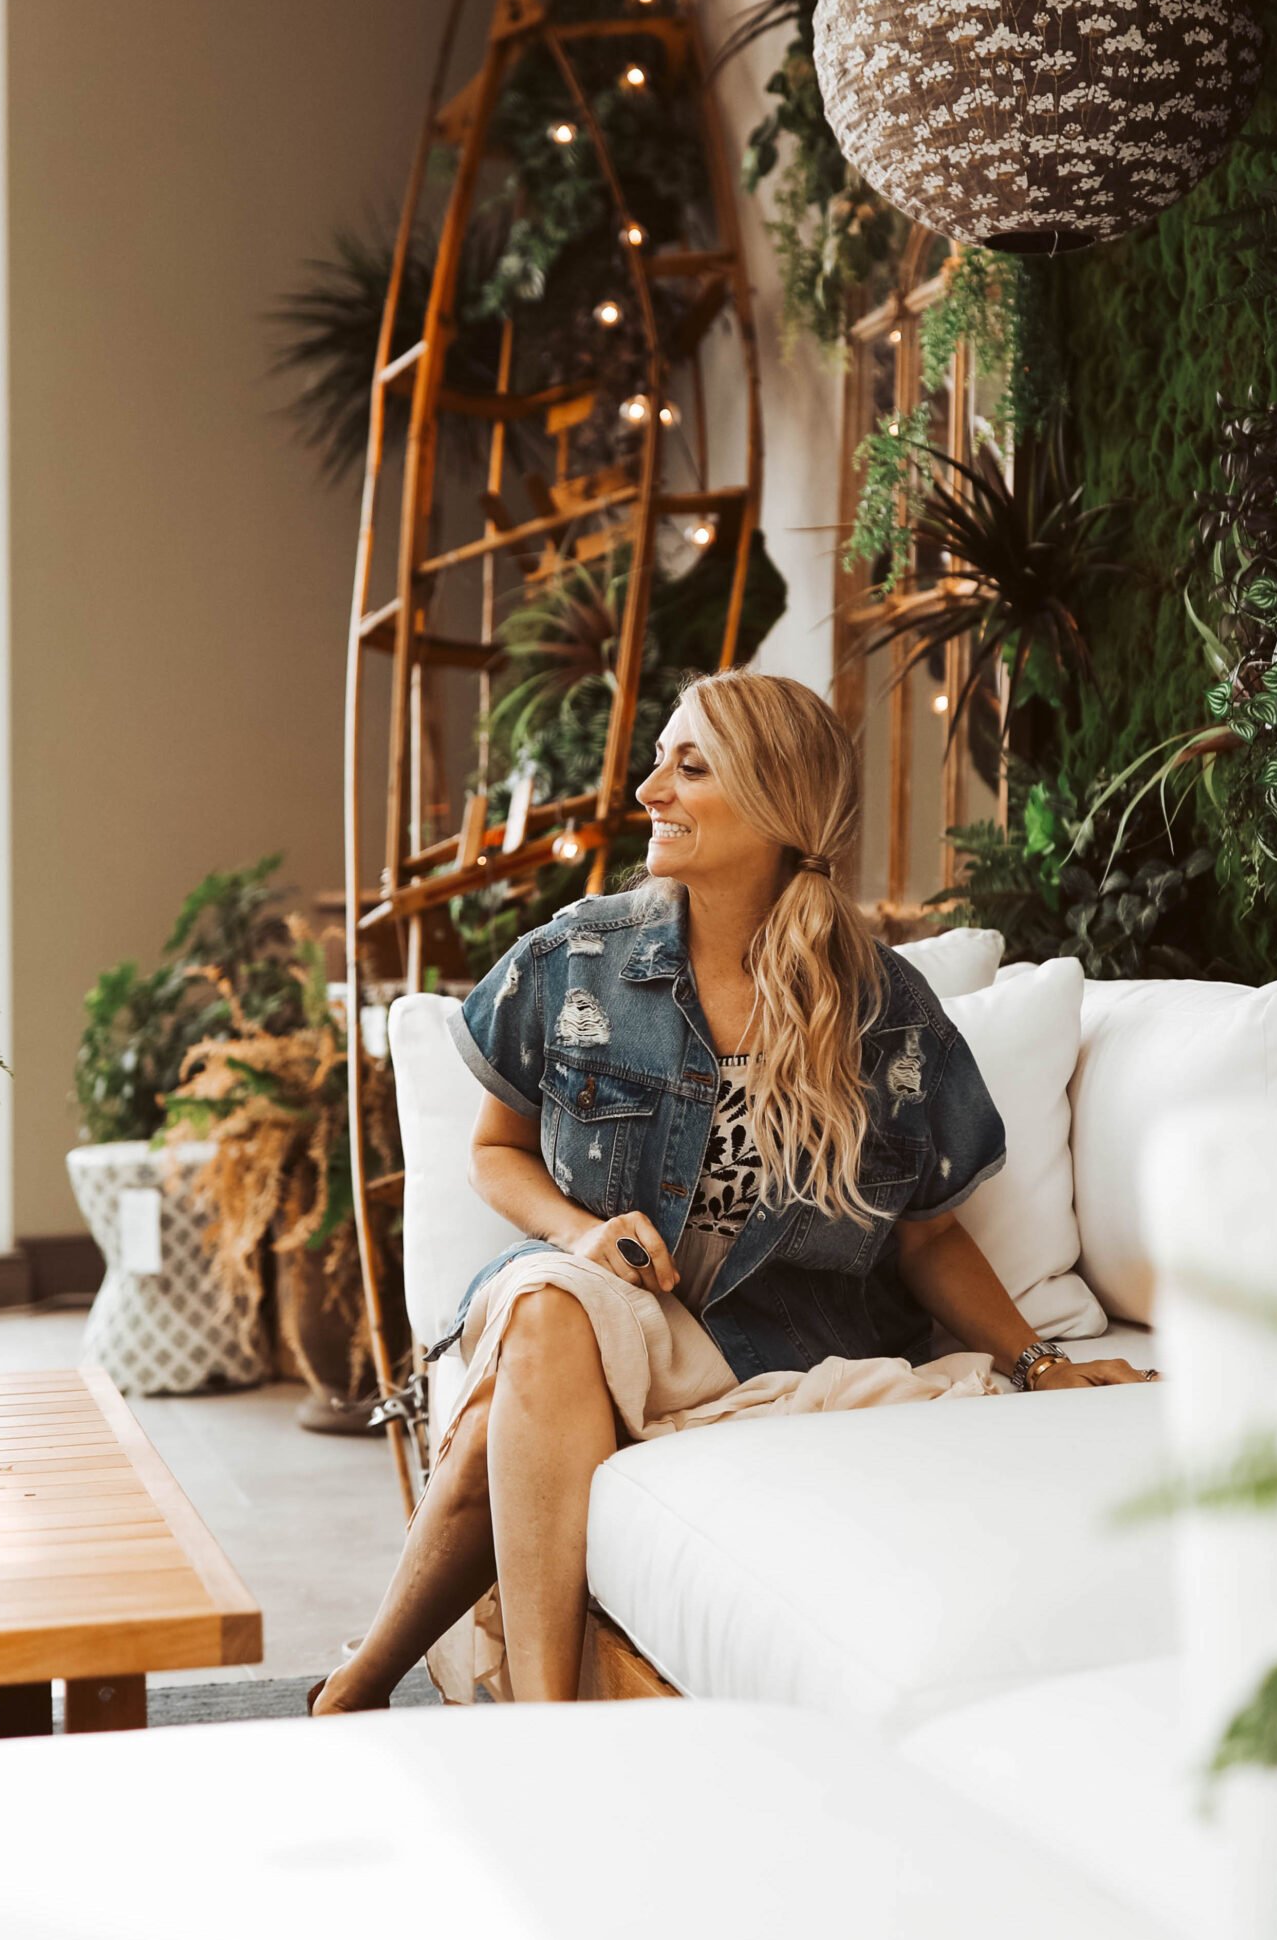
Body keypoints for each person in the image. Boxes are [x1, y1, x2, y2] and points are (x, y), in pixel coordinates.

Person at [313, 669, 1150, 1713]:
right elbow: (495, 1148)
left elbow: (927, 1237)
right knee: (546, 1306)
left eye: (687, 764)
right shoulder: (580, 955)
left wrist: (1034, 1357)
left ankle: (354, 1687)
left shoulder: (881, 1008)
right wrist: (579, 1232)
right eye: (660, 756)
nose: (647, 789)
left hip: (770, 1348)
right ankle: (542, 1728)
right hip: (599, 1314)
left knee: (516, 1388)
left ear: (775, 801)